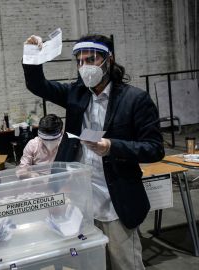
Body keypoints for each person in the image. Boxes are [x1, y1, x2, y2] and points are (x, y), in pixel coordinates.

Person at [22, 34, 164, 270]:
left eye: (91, 59)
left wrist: (111, 146)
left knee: (124, 262)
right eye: (79, 61)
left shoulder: (134, 99)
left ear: (109, 60)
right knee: (90, 263)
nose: (84, 66)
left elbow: (154, 148)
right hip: (79, 199)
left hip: (116, 200)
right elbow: (38, 85)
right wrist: (32, 55)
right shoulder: (76, 94)